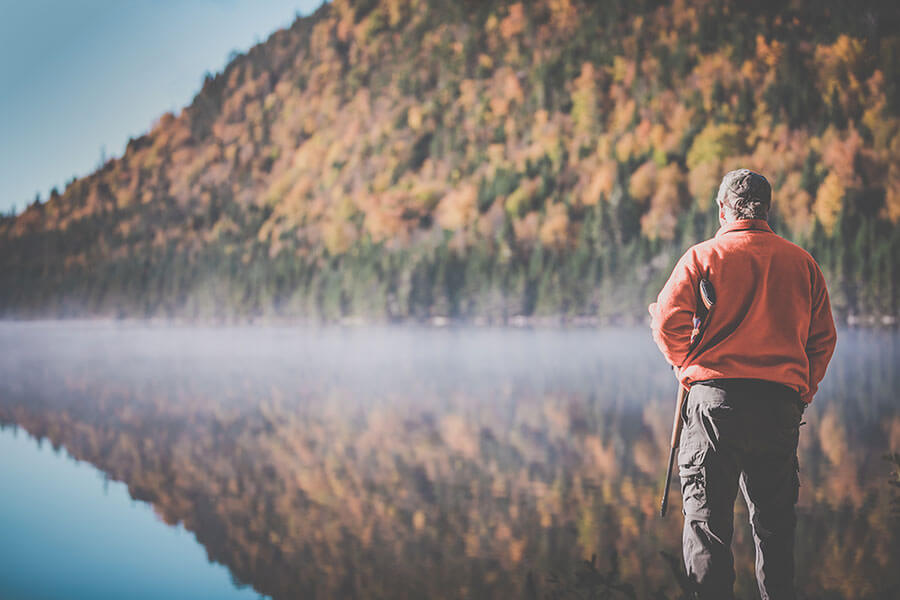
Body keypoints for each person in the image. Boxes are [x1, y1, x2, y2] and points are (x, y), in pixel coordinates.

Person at [648, 168, 837, 599]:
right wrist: (802, 391)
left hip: (714, 406)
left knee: (708, 529)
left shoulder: (702, 258)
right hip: (779, 406)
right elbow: (824, 338)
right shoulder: (802, 262)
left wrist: (685, 367)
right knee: (774, 531)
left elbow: (665, 324)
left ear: (722, 209)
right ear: (767, 209)